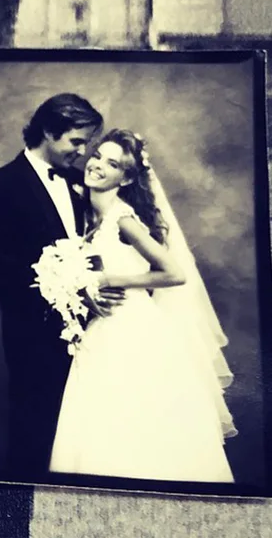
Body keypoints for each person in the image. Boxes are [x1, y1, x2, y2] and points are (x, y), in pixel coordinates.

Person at [49, 129, 235, 482]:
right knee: (100, 420)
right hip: (101, 332)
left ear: (128, 177)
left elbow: (173, 273)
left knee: (135, 416)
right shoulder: (89, 217)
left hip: (132, 330)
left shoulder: (123, 220)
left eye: (113, 163)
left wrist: (109, 281)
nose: (98, 165)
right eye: (98, 155)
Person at [0, 93, 115, 475]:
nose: (85, 152)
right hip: (32, 332)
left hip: (93, 328)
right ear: (49, 132)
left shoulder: (79, 182)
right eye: (77, 142)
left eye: (87, 143)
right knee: (35, 427)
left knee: (84, 429)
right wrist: (61, 284)